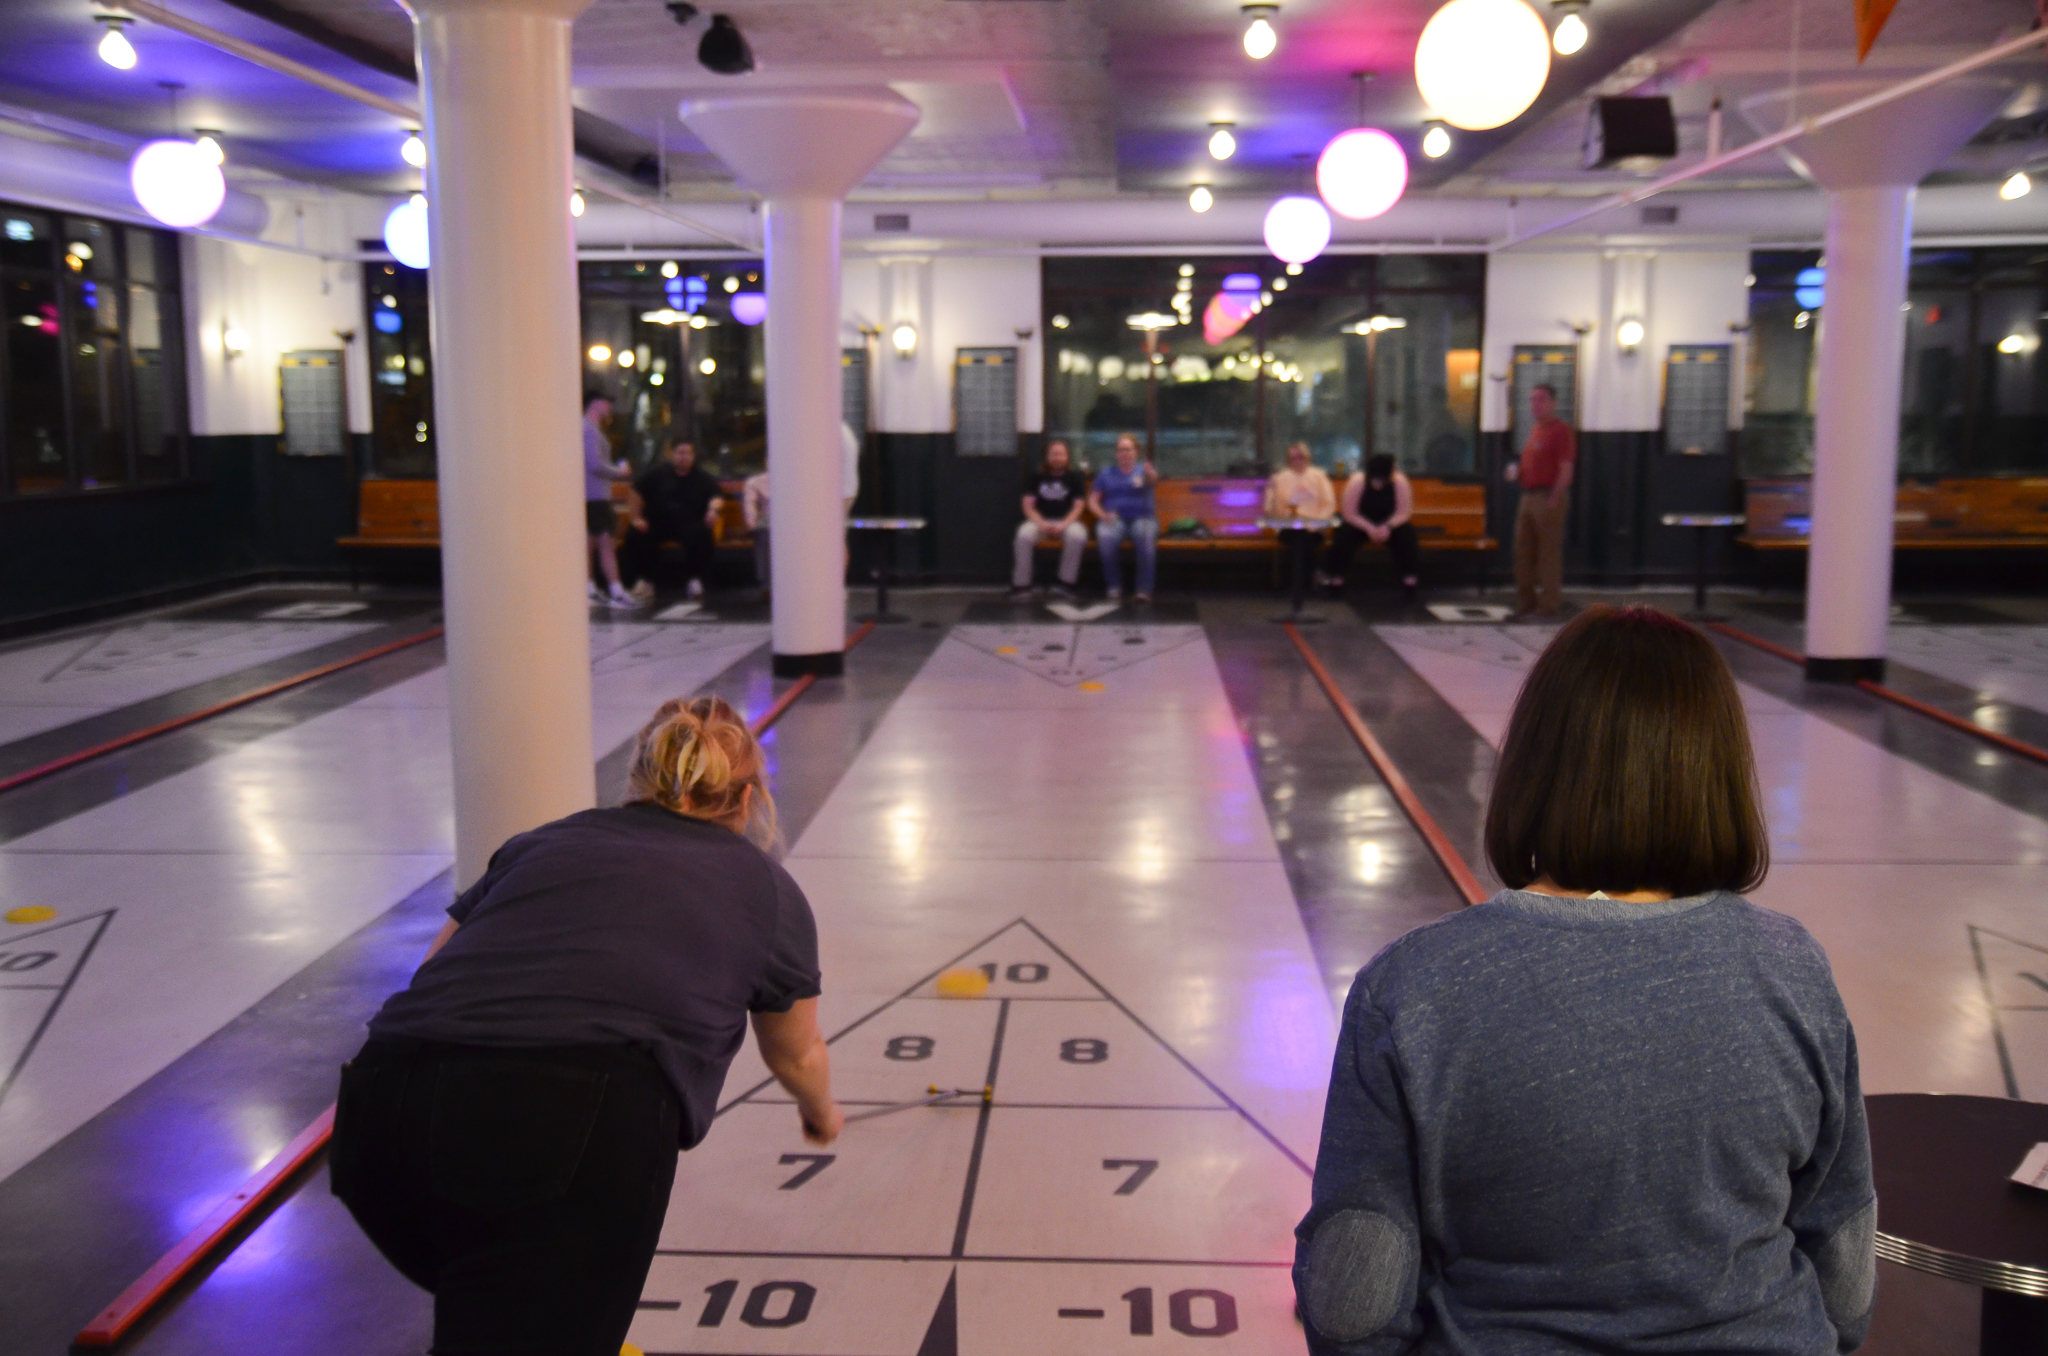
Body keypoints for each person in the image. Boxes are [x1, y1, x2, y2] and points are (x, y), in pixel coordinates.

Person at [1295, 605, 1874, 1355]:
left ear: (1533, 764)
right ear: (1717, 773)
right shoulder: (1793, 968)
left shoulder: (1414, 988)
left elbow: (1356, 1300)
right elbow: (1845, 1263)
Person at [331, 695, 841, 1356]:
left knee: (489, 1313)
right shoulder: (766, 886)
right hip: (568, 1123)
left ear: (636, 784)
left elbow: (433, 968)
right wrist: (820, 1114)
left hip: (380, 1109)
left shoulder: (544, 841)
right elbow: (796, 1054)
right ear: (747, 804)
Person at [1505, 382, 1575, 617]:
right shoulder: (1535, 429)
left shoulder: (1561, 431)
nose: (1535, 404)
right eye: (1533, 399)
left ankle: (1548, 606)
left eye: (1541, 399)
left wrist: (1555, 496)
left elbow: (1566, 468)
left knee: (1548, 554)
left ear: (1553, 402)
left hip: (1547, 495)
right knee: (1523, 550)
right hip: (1528, 495)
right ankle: (1526, 602)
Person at [625, 438, 724, 601]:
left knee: (702, 534)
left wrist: (713, 510)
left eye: (688, 453)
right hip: (658, 522)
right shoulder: (657, 473)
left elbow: (716, 496)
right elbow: (635, 491)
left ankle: (695, 579)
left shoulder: (701, 476)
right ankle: (645, 580)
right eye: (680, 453)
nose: (684, 457)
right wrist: (635, 518)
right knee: (636, 534)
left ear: (693, 455)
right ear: (672, 454)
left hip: (689, 523)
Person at [1321, 454, 1419, 600]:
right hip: (1360, 523)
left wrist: (1388, 526)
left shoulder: (1400, 482)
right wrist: (1369, 528)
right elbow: (1349, 513)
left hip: (1390, 523)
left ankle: (1409, 583)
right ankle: (1336, 582)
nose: (1396, 469)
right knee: (1343, 538)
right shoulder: (1357, 482)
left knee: (1408, 537)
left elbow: (1403, 512)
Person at [1012, 439, 1088, 599]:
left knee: (1078, 535)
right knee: (1023, 535)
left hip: (1067, 522)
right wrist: (1041, 523)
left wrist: (1063, 524)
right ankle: (1022, 585)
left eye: (1061, 454)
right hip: (1039, 522)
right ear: (1048, 457)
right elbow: (1028, 506)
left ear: (1067, 457)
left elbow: (1078, 507)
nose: (1057, 458)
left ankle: (1066, 584)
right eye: (1054, 454)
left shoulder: (1075, 478)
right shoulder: (1036, 476)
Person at [1088, 432, 1158, 603]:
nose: (1124, 453)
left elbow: (1153, 481)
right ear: (1116, 453)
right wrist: (1102, 515)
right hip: (1114, 518)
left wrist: (1150, 474)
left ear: (1136, 452)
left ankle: (1144, 589)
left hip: (1142, 518)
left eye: (1128, 450)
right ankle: (1114, 585)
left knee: (1145, 536)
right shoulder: (1106, 473)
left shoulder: (1144, 471)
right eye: (1120, 450)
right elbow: (1092, 500)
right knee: (1105, 537)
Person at [581, 391, 634, 609]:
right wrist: (619, 472)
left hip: (591, 495)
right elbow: (595, 465)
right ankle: (616, 591)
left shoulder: (586, 428)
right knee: (605, 543)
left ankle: (590, 588)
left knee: (591, 543)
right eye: (607, 402)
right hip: (596, 495)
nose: (609, 407)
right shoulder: (589, 431)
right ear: (595, 404)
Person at [1264, 441, 1337, 599]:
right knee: (1298, 536)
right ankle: (1314, 574)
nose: (1297, 461)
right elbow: (1270, 510)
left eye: (1300, 457)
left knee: (1302, 538)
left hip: (1314, 527)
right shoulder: (1281, 478)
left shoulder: (1318, 476)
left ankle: (1298, 585)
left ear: (1307, 458)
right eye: (1293, 458)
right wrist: (1271, 489)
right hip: (1288, 526)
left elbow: (1329, 504)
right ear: (1288, 460)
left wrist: (1316, 522)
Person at [742, 466, 771, 596]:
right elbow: (750, 505)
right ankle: (767, 586)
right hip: (768, 518)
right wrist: (752, 522)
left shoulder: (800, 480)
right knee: (764, 532)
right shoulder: (755, 482)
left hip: (795, 519)